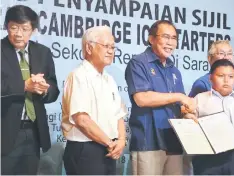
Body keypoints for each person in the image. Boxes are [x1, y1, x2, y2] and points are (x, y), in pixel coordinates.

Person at [125, 20, 195, 175]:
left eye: (174, 38)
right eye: (165, 37)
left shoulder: (174, 71)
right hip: (148, 141)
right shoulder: (138, 63)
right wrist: (179, 96)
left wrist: (188, 114)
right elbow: (142, 98)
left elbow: (179, 106)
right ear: (151, 39)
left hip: (174, 141)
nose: (170, 42)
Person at [188, 40, 234, 175]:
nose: (226, 80)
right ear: (211, 78)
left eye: (230, 77)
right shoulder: (200, 95)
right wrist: (187, 116)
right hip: (206, 157)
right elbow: (189, 119)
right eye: (221, 76)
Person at [1, 5, 60, 175]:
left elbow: (54, 88)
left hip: (34, 133)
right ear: (6, 26)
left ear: (33, 30)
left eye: (25, 28)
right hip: (4, 133)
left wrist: (44, 89)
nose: (19, 33)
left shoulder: (43, 53)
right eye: (14, 27)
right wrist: (25, 86)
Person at [61, 26, 127, 175]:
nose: (111, 51)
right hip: (85, 150)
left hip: (108, 148)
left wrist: (121, 140)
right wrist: (110, 143)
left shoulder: (109, 79)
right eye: (106, 46)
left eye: (113, 47)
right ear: (89, 48)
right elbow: (82, 120)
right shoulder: (78, 75)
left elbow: (119, 114)